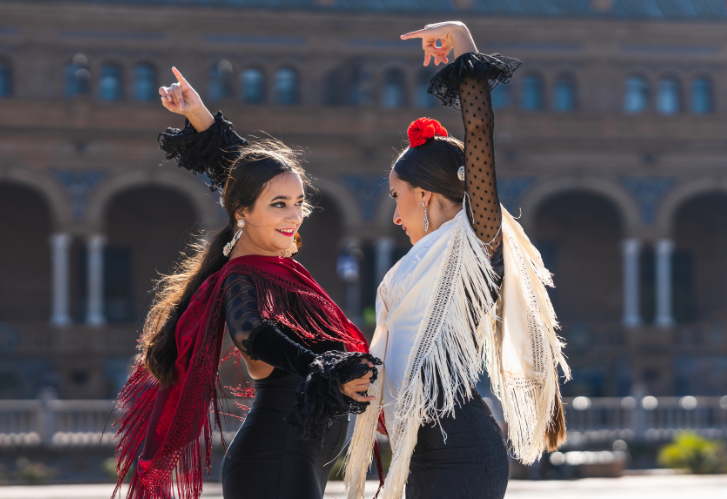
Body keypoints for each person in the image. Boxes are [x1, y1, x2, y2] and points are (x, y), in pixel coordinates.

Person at [111, 69, 381, 499]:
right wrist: (325, 367)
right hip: (273, 464)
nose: (294, 216)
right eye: (279, 205)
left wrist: (199, 116)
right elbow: (254, 334)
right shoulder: (242, 277)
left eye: (298, 203)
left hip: (294, 462)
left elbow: (246, 173)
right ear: (241, 212)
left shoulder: (276, 268)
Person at [344, 22, 571, 499]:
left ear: (424, 195)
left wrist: (462, 45)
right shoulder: (422, 258)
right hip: (422, 447)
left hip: (461, 450)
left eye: (396, 196)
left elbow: (480, 131)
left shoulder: (474, 240)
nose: (393, 213)